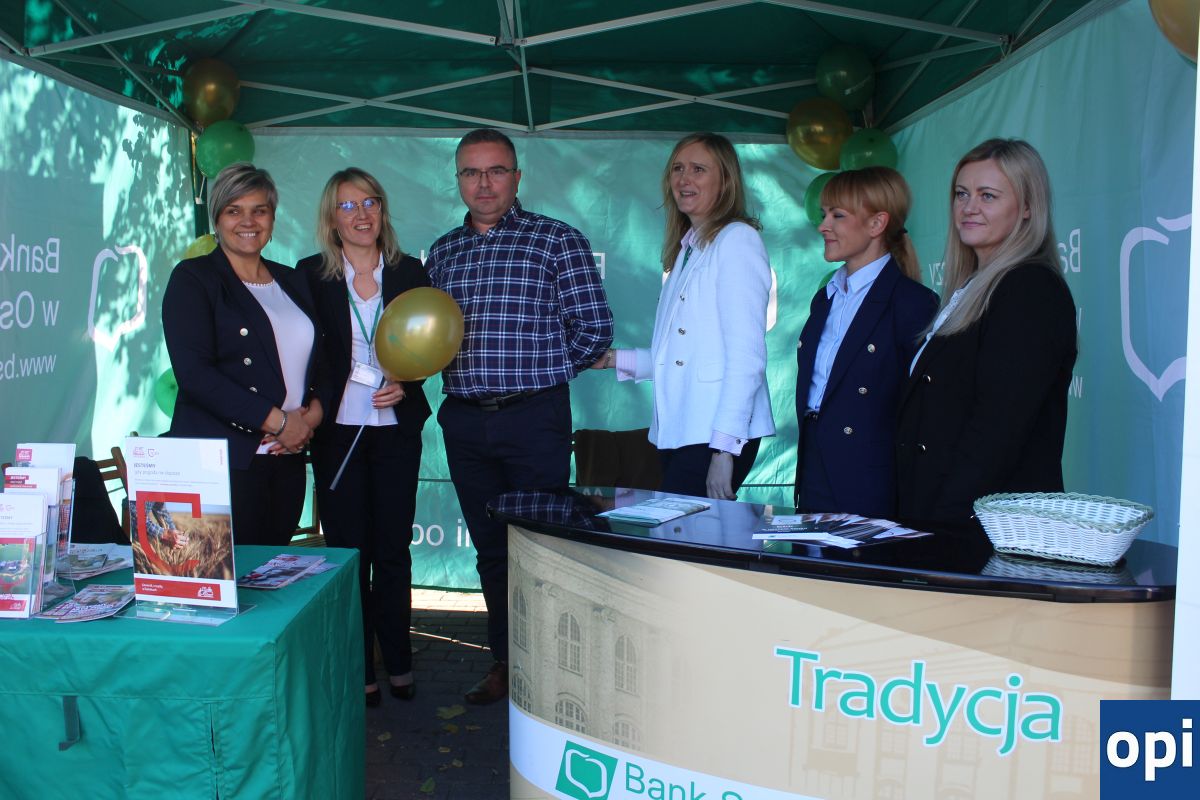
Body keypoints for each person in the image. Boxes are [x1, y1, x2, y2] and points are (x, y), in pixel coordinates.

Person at [427, 128, 613, 705]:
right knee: (490, 550)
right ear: (458, 179)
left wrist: (539, 373)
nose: (483, 184)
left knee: (544, 548)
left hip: (534, 418)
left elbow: (594, 329)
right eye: (471, 172)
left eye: (496, 171)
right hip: (465, 420)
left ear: (517, 177)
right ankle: (506, 665)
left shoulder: (557, 241)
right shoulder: (442, 253)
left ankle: (556, 671)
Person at [297, 167, 429, 708]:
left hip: (396, 430)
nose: (361, 214)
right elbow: (302, 354)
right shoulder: (310, 275)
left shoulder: (410, 271)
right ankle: (359, 667)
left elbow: (427, 340)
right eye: (348, 205)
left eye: (370, 202)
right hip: (337, 433)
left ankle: (398, 661)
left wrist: (408, 380)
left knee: (393, 551)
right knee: (349, 554)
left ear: (383, 210)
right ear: (332, 218)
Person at [896, 139, 1077, 526]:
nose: (969, 207)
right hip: (943, 516)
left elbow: (997, 431)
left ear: (1028, 207)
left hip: (985, 528)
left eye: (988, 196)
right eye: (962, 194)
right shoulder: (972, 287)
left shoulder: (1030, 288)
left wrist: (944, 521)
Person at [593, 132, 774, 499]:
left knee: (681, 532)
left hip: (714, 435)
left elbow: (747, 358)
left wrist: (724, 450)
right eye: (677, 168)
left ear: (725, 181)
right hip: (682, 432)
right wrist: (611, 359)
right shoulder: (688, 249)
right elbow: (681, 359)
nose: (684, 179)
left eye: (698, 169)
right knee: (685, 531)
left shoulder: (737, 240)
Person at [163, 163, 323, 546]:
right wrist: (278, 422)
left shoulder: (293, 279)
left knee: (272, 573)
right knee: (219, 577)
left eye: (259, 210)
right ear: (217, 219)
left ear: (272, 218)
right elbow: (195, 375)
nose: (248, 221)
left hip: (286, 459)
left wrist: (309, 419)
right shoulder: (194, 278)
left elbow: (325, 363)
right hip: (222, 463)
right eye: (234, 210)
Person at [794, 167, 938, 518]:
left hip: (869, 483)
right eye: (824, 214)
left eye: (838, 215)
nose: (823, 226)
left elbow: (924, 412)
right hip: (813, 466)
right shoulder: (824, 298)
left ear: (877, 224)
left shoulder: (912, 303)